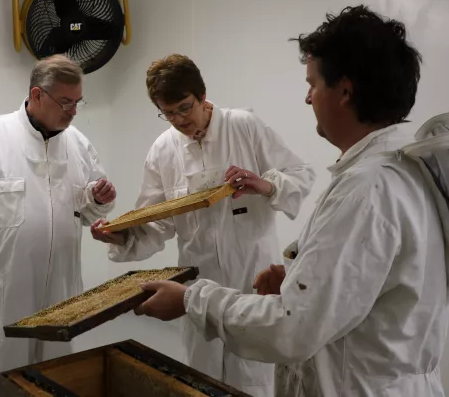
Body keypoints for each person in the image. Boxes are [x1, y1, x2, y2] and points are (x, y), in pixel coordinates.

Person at [132, 6, 449, 397]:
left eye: (312, 84)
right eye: (169, 113)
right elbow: (365, 282)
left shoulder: (367, 189)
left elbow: (292, 327)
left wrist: (191, 298)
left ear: (345, 91)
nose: (306, 98)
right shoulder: (397, 169)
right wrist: (301, 278)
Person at [89, 53, 315, 397]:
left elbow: (301, 176)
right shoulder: (163, 150)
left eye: (185, 107)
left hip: (251, 281)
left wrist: (264, 184)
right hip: (196, 287)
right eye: (168, 113)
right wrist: (119, 236)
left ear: (202, 95)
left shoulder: (245, 126)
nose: (179, 120)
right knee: (202, 382)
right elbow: (156, 223)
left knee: (255, 380)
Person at [0, 55, 116, 397]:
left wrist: (99, 199)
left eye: (78, 102)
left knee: (60, 371)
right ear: (37, 95)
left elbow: (89, 212)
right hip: (6, 284)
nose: (73, 111)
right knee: (1, 369)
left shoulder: (78, 145)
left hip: (62, 285)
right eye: (65, 101)